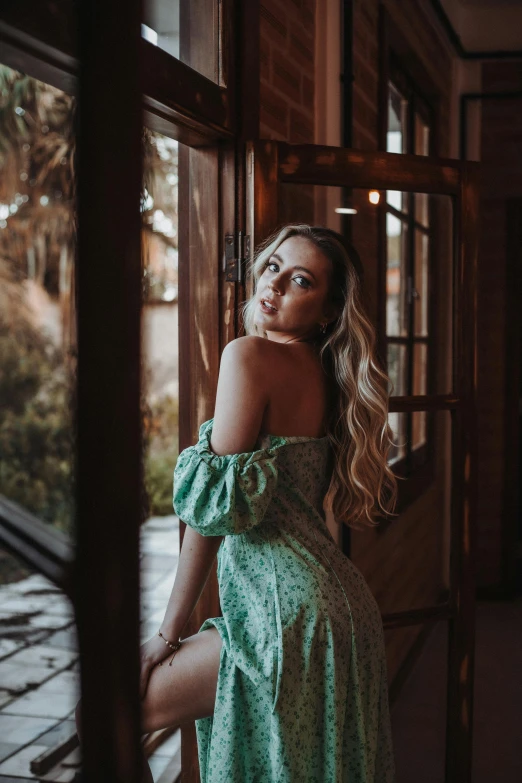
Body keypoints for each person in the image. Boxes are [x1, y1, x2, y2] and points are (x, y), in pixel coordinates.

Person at [139, 224, 398, 781]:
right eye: (273, 265)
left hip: (285, 618)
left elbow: (213, 512)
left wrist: (166, 633)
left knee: (111, 710)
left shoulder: (249, 356)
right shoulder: (328, 374)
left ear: (327, 311)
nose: (274, 283)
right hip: (339, 613)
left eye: (300, 280)